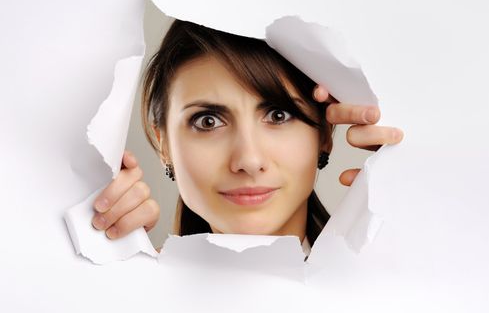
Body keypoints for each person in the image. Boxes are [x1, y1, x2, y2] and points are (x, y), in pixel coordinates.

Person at [90, 20, 403, 250]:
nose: (249, 160)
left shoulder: (394, 290)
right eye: (208, 122)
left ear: (324, 133)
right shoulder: (132, 293)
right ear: (164, 145)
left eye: (278, 115)